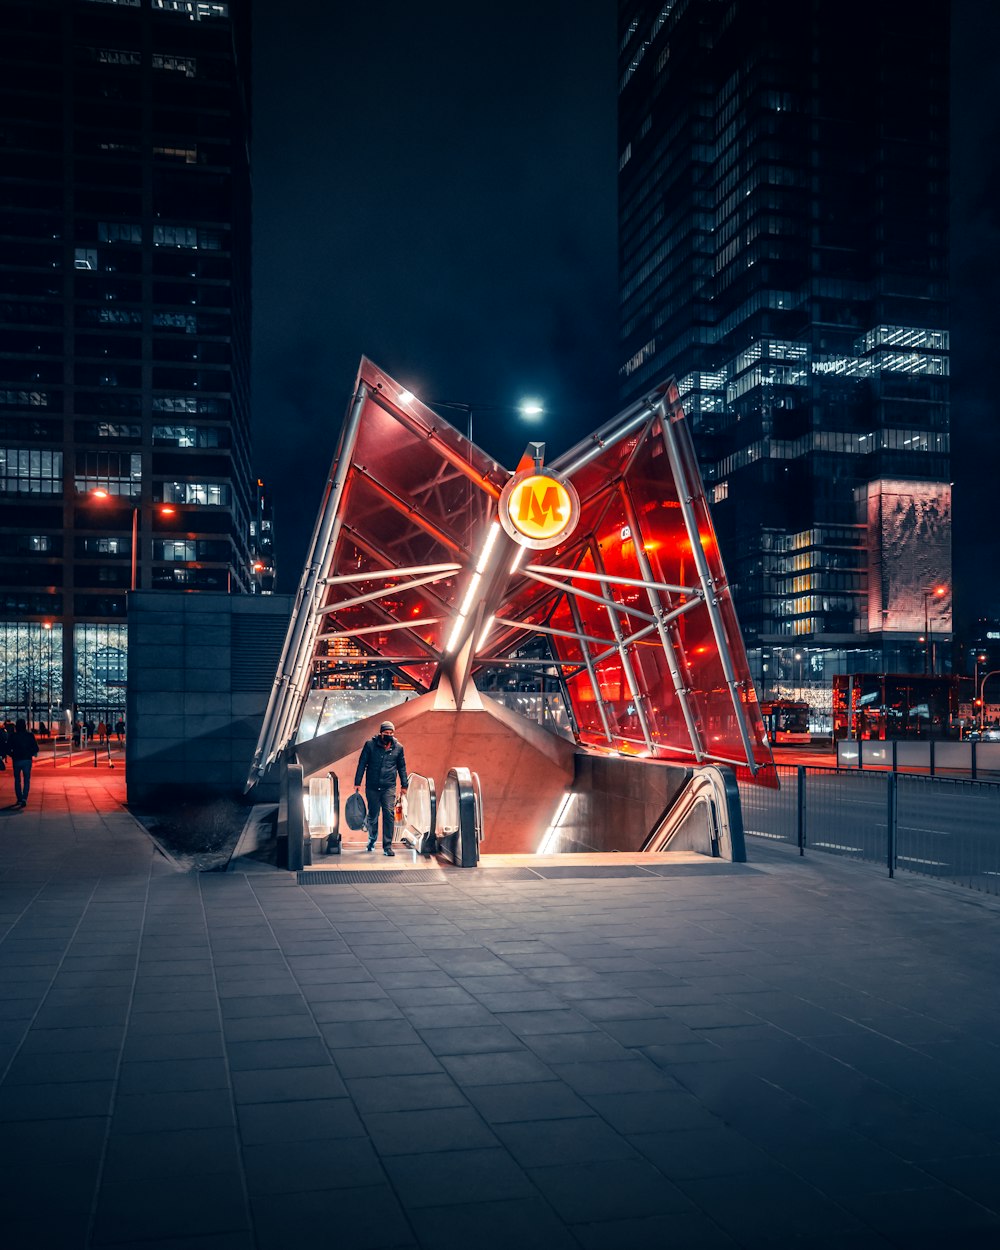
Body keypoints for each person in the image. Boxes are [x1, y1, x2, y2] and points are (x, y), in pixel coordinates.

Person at [353, 720, 408, 856]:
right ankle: (372, 839)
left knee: (389, 814)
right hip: (372, 786)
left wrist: (404, 785)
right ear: (380, 733)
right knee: (373, 815)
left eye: (391, 733)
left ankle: (387, 846)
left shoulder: (398, 748)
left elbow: (402, 767)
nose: (388, 735)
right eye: (386, 733)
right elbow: (362, 764)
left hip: (389, 787)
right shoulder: (370, 745)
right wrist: (357, 782)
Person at [9, 718, 39, 809]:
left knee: (17, 780)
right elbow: (36, 748)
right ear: (25, 726)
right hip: (27, 760)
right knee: (26, 780)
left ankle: (19, 798)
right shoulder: (29, 735)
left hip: (16, 760)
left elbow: (7, 748)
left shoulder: (13, 736)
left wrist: (12, 755)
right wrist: (31, 753)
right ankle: (24, 798)